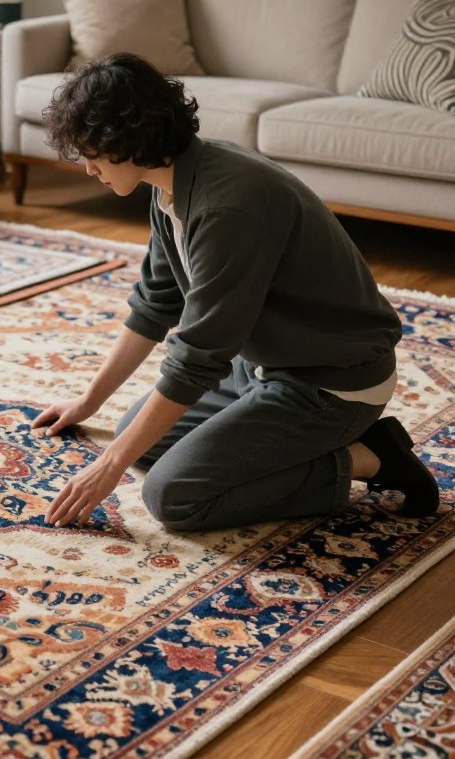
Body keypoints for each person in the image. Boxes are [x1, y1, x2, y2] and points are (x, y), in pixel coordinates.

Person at [32, 53, 440, 532]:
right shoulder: (170, 187)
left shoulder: (227, 205)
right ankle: (311, 442)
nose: (88, 168)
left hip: (331, 382)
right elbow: (157, 302)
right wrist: (88, 403)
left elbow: (198, 357)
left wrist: (109, 467)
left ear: (129, 140)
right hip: (265, 365)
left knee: (173, 497)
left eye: (92, 152)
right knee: (139, 437)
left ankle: (373, 458)